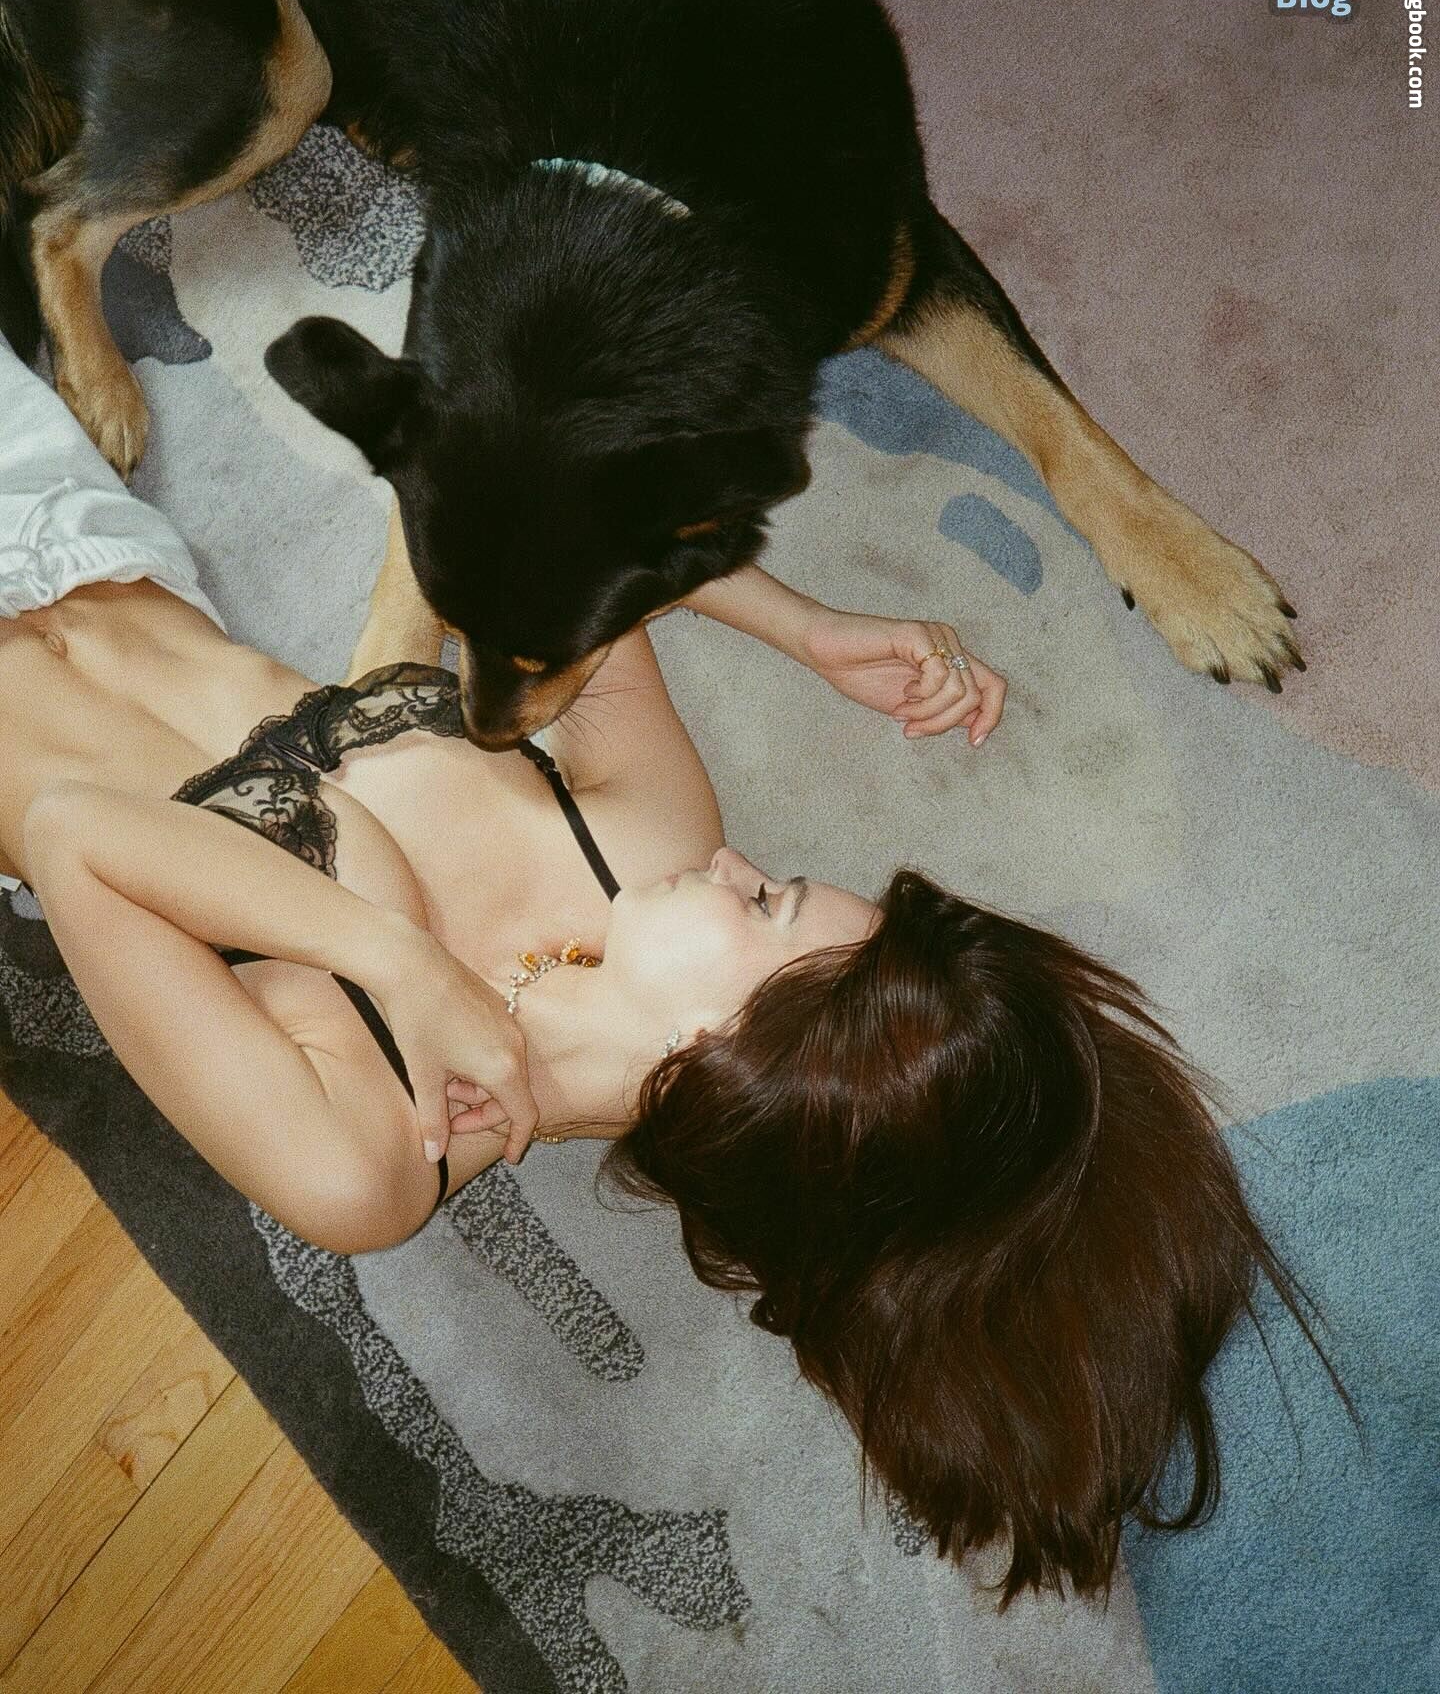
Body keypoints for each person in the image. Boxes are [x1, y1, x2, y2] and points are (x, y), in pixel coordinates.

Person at [0, 336, 1335, 1603]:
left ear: (723, 1051)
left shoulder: (368, 1163)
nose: (738, 861)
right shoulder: (649, 845)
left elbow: (72, 837)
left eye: (768, 902)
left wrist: (394, 958)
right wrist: (803, 628)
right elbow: (556, 501)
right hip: (84, 532)